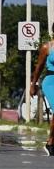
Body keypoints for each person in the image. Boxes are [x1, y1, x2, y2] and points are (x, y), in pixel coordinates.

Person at [31, 23, 54, 156]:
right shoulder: (47, 47)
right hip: (51, 81)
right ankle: (51, 141)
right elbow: (39, 67)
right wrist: (33, 84)